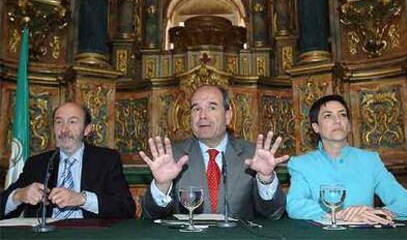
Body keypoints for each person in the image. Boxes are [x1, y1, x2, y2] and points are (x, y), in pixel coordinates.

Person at [139, 85, 289, 220]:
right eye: (196, 109)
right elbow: (151, 215)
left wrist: (265, 179)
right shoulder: (173, 156)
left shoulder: (253, 155)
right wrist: (162, 185)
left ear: (228, 116)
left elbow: (273, 213)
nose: (202, 115)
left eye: (211, 108)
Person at [287, 95, 407, 224]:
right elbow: (294, 205)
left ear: (348, 125)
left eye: (342, 115)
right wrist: (338, 214)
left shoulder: (370, 161)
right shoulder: (300, 164)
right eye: (328, 116)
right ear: (316, 127)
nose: (337, 120)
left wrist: (381, 213)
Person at [0, 102, 136, 219]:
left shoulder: (106, 160)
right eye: (58, 122)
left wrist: (82, 199)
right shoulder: (37, 163)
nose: (64, 129)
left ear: (87, 129)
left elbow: (126, 208)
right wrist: (18, 195)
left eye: (72, 122)